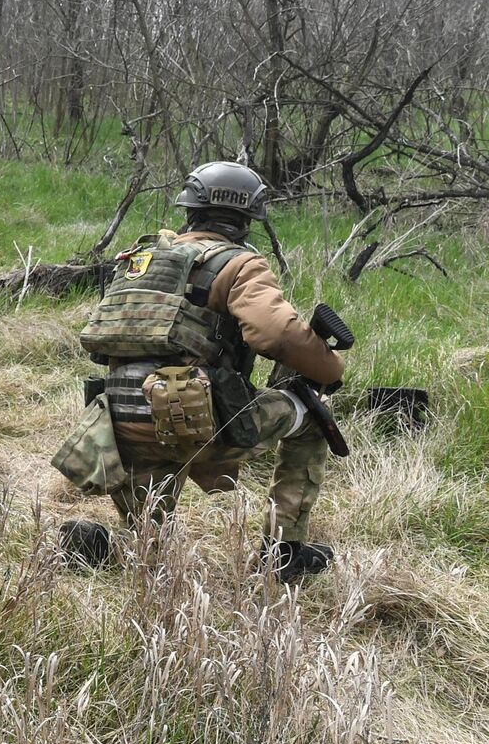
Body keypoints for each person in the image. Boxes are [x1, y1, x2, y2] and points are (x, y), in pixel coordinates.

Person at [51, 161, 347, 580]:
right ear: (247, 220)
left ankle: (100, 548)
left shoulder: (140, 259)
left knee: (147, 551)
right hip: (194, 416)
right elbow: (276, 333)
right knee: (311, 414)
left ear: (189, 209)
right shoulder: (239, 263)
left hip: (119, 422)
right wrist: (330, 368)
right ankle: (285, 552)